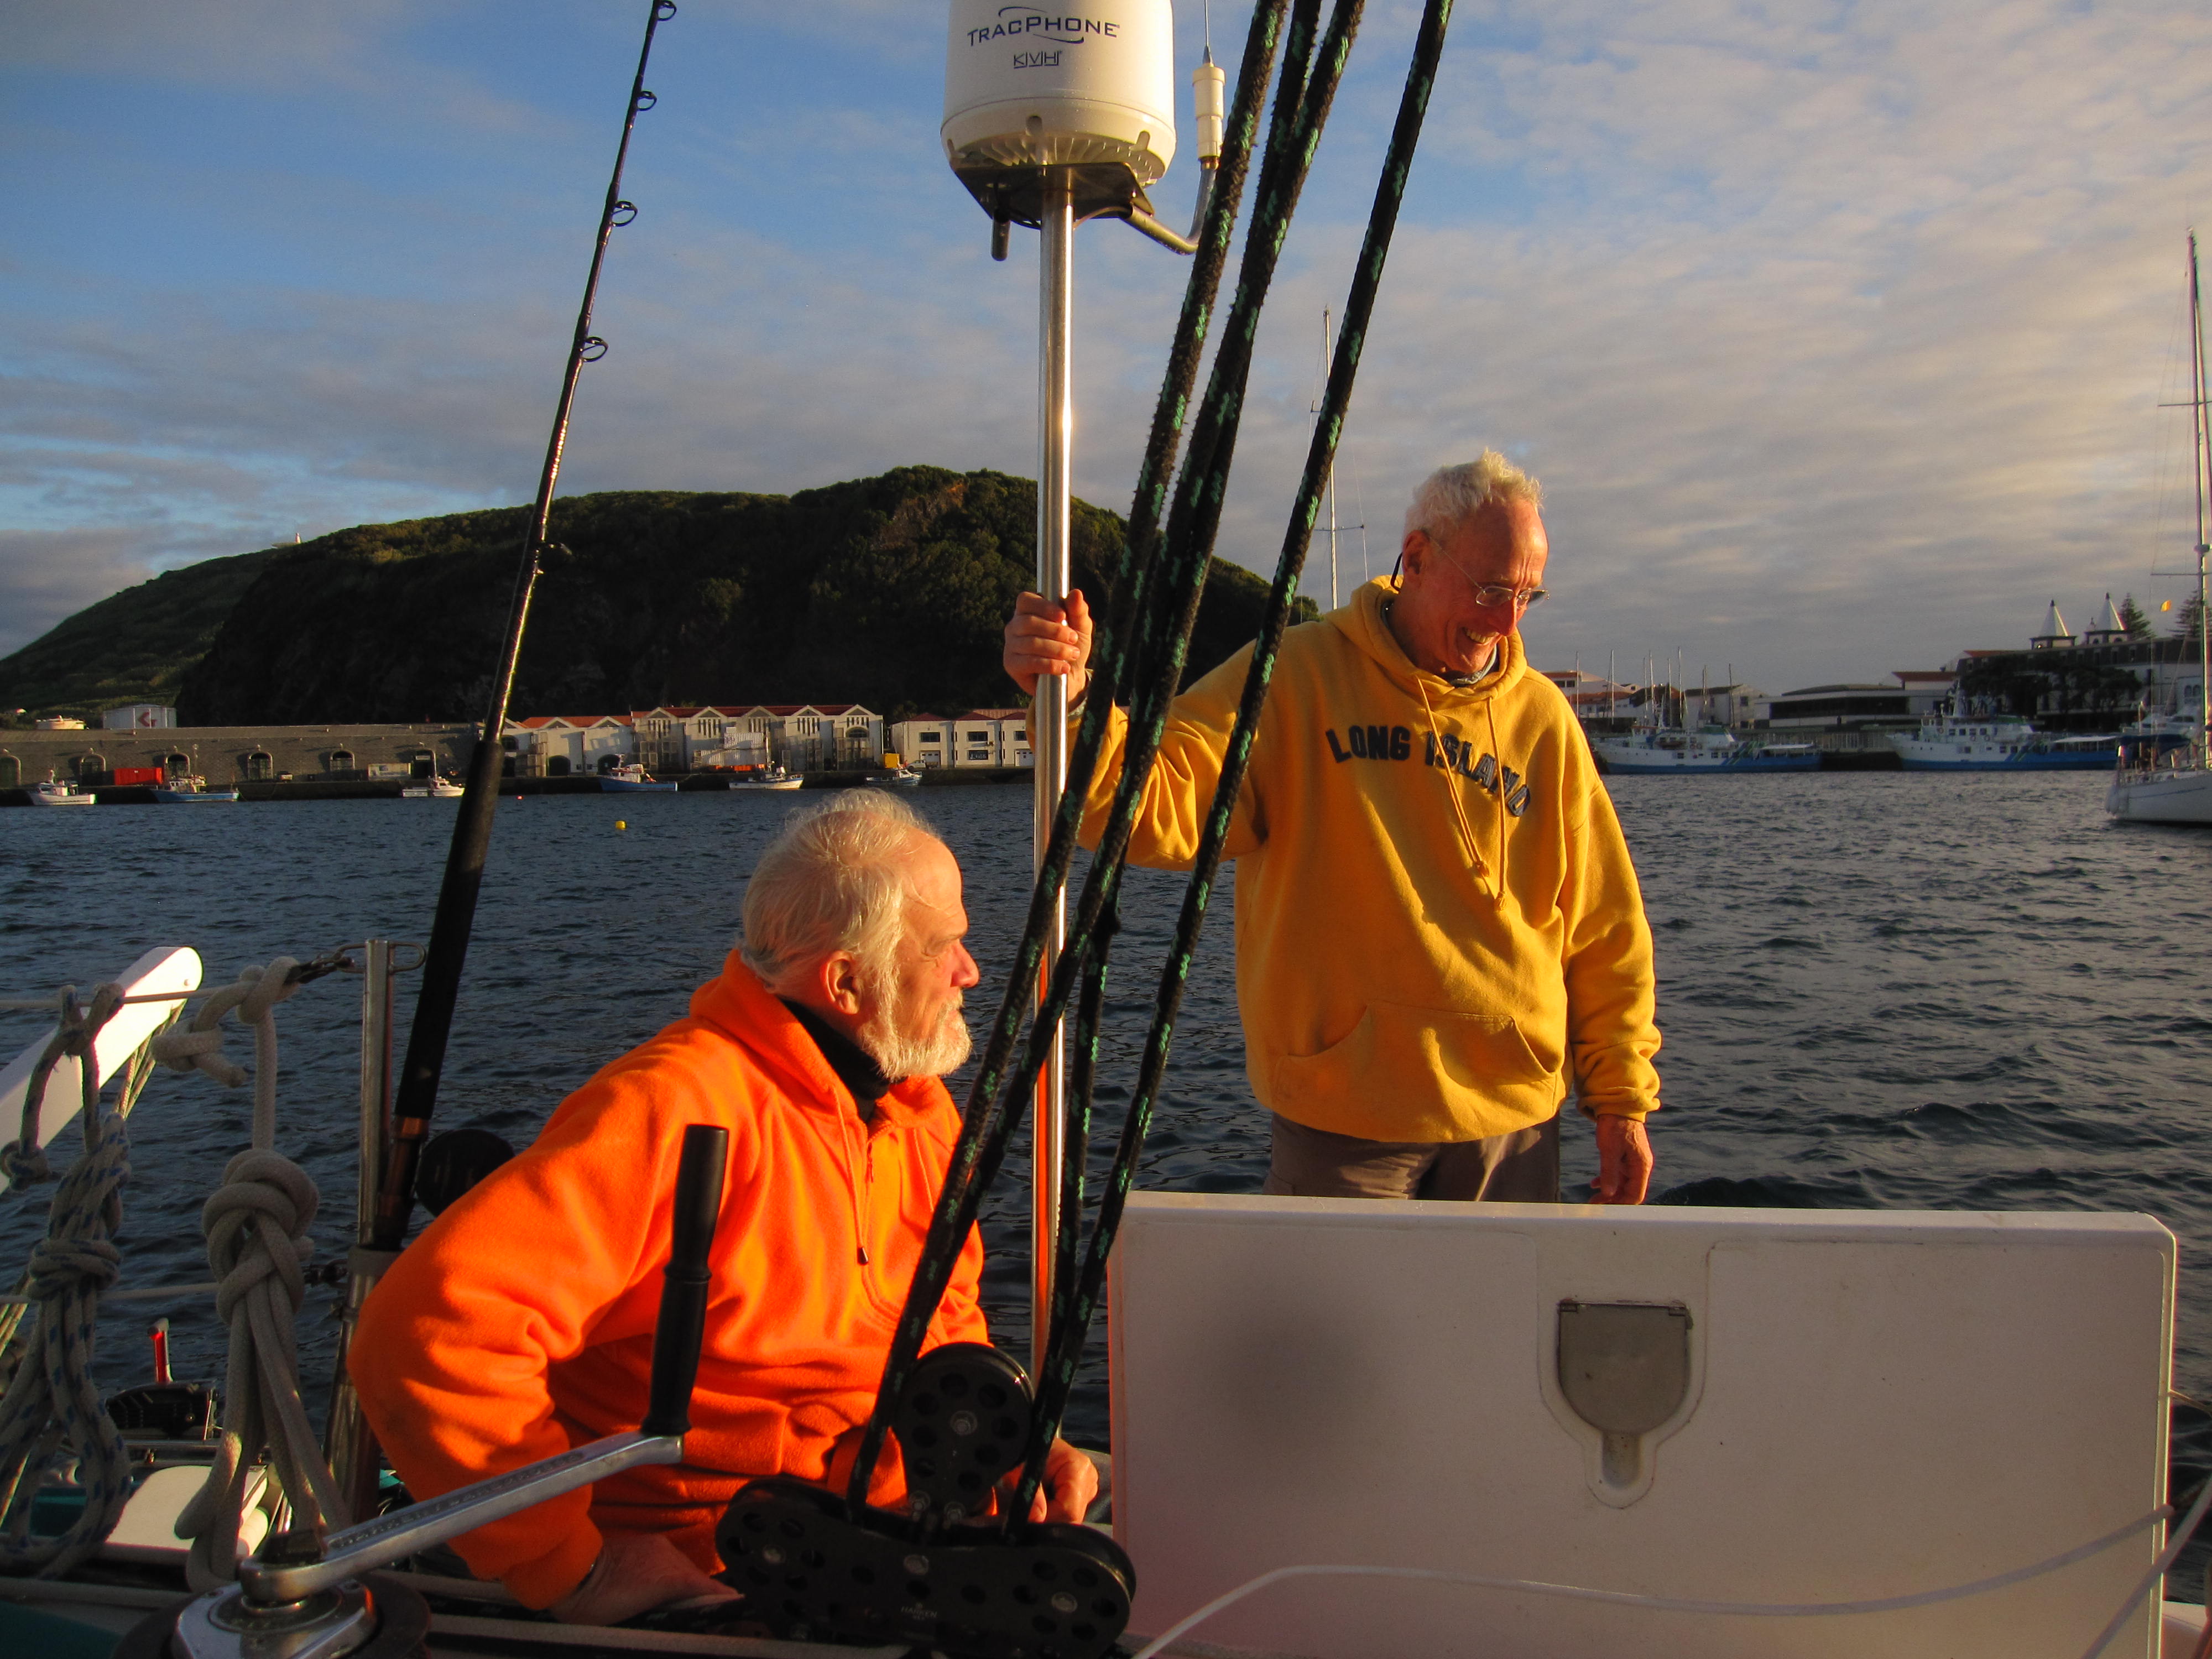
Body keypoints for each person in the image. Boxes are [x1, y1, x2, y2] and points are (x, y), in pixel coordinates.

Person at [351, 791, 1098, 1625]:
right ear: (847, 982)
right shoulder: (677, 1111)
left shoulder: (916, 1110)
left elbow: (945, 1318)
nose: (970, 971)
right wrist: (572, 1569)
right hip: (728, 1572)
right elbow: (426, 1333)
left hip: (894, 1534)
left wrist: (1006, 1447)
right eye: (943, 946)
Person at [1004, 451, 1660, 1204]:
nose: (1505, 620)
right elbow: (1152, 801)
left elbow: (1605, 926)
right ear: (1417, 557)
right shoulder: (1295, 675)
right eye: (1488, 589)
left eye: (1525, 596)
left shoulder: (1544, 719)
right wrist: (1072, 702)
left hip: (1514, 1124)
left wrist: (1621, 1099)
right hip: (1343, 1117)